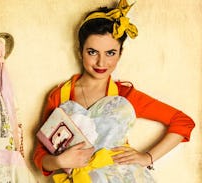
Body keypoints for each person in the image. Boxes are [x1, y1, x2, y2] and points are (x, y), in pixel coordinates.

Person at [33, 0, 195, 182]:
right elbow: (40, 154)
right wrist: (59, 161)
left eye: (110, 53)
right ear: (80, 51)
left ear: (120, 53)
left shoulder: (125, 95)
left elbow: (182, 122)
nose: (101, 63)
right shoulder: (60, 95)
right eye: (92, 52)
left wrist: (147, 157)